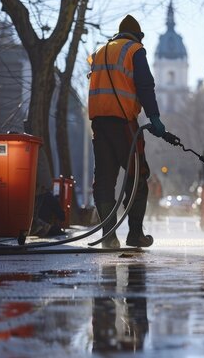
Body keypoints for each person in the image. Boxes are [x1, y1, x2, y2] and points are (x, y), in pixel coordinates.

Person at [87, 15, 165, 248]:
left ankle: (109, 238)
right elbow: (144, 85)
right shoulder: (135, 50)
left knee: (103, 180)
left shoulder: (100, 52)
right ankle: (135, 234)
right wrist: (154, 117)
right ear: (138, 36)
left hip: (99, 124)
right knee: (138, 175)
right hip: (124, 125)